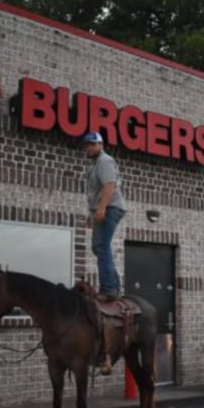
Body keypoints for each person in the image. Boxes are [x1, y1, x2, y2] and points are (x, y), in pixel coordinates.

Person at [82, 131, 125, 374]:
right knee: (99, 247)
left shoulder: (105, 161)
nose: (89, 148)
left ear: (101, 144)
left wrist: (101, 208)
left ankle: (110, 289)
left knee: (102, 247)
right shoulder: (94, 164)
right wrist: (93, 215)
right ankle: (113, 285)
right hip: (103, 210)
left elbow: (109, 186)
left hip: (110, 208)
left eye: (93, 144)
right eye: (86, 145)